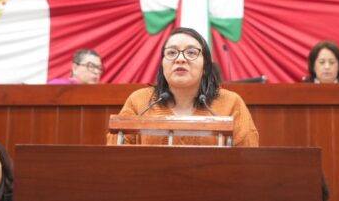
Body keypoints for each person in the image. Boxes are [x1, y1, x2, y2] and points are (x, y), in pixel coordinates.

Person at [107, 27, 259, 146]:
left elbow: (247, 159)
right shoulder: (139, 101)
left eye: (191, 53)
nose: (180, 59)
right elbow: (116, 156)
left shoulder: (231, 103)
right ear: (162, 64)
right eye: (172, 52)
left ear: (205, 65)